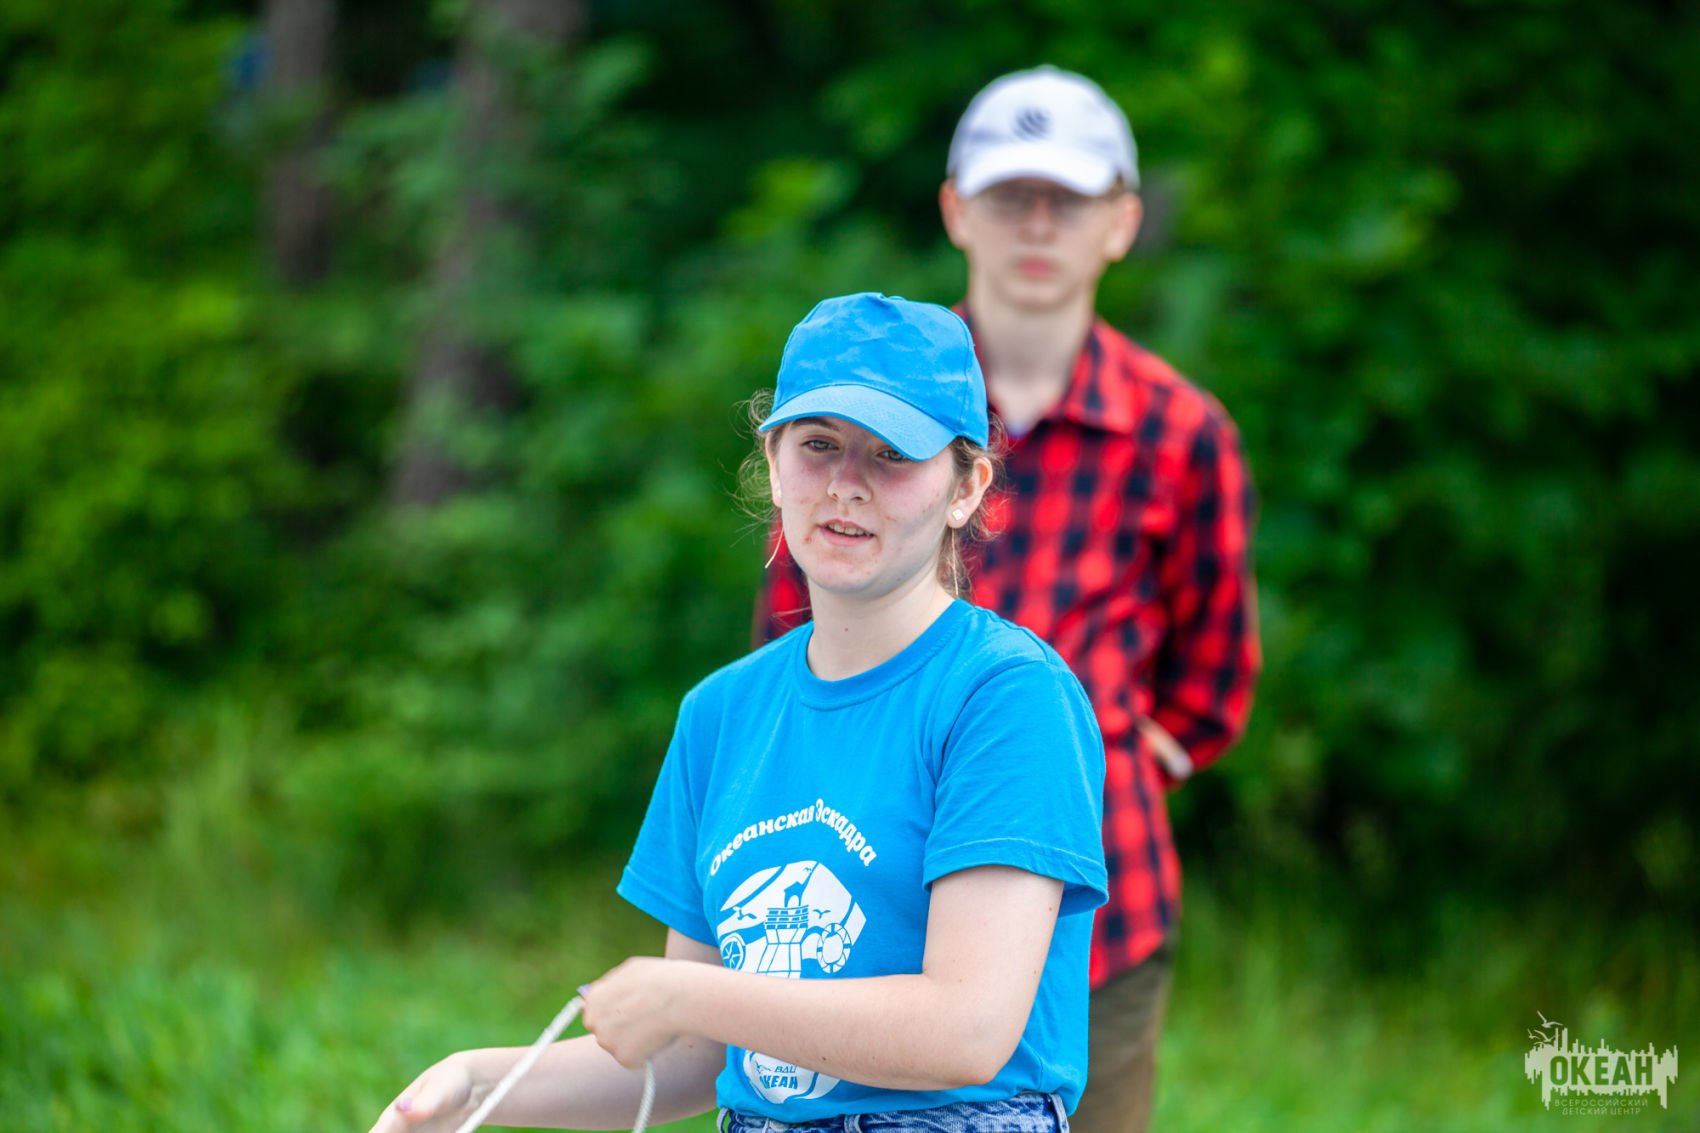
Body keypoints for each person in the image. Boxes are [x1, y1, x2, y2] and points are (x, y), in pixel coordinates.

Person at [369, 292, 1108, 1133]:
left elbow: (966, 1030)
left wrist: (692, 994)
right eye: (819, 445)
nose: (846, 485)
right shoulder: (721, 713)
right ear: (774, 462)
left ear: (966, 488)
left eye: (892, 454)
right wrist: (472, 1085)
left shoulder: (1005, 694)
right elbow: (695, 1056)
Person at [756, 67, 1261, 1133]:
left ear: (1121, 222)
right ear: (954, 209)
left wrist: (1112, 753)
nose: (1036, 223)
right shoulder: (871, 405)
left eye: (1067, 199)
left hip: (1101, 899)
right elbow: (796, 635)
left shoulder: (1181, 432)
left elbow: (1211, 675)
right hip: (873, 881)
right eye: (1008, 195)